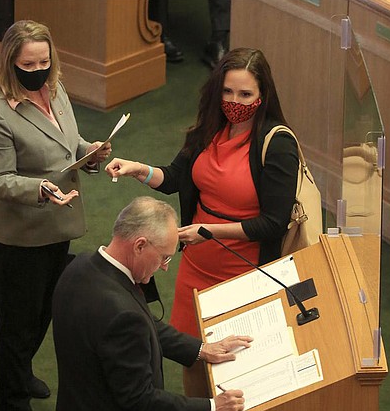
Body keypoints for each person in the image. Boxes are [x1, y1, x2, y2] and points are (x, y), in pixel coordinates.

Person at [104, 47, 299, 396]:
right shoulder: (210, 128)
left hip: (243, 272)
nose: (234, 101)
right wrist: (138, 169)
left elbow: (273, 223)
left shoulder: (277, 143)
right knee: (194, 356)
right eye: (227, 91)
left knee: (238, 368)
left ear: (263, 95)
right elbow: (177, 176)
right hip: (195, 267)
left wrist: (208, 231)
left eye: (245, 94)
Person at [0, 19, 113, 411]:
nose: (38, 72)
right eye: (28, 65)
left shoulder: (56, 89)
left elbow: (65, 145)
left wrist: (90, 152)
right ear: (9, 63)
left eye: (43, 63)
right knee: (18, 325)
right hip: (19, 236)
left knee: (42, 314)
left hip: (58, 224)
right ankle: (12, 398)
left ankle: (18, 374)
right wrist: (40, 189)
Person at [52, 196, 253, 411]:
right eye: (164, 257)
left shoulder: (80, 266)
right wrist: (213, 406)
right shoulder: (122, 315)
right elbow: (139, 400)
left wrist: (201, 349)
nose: (165, 267)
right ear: (139, 245)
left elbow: (140, 325)